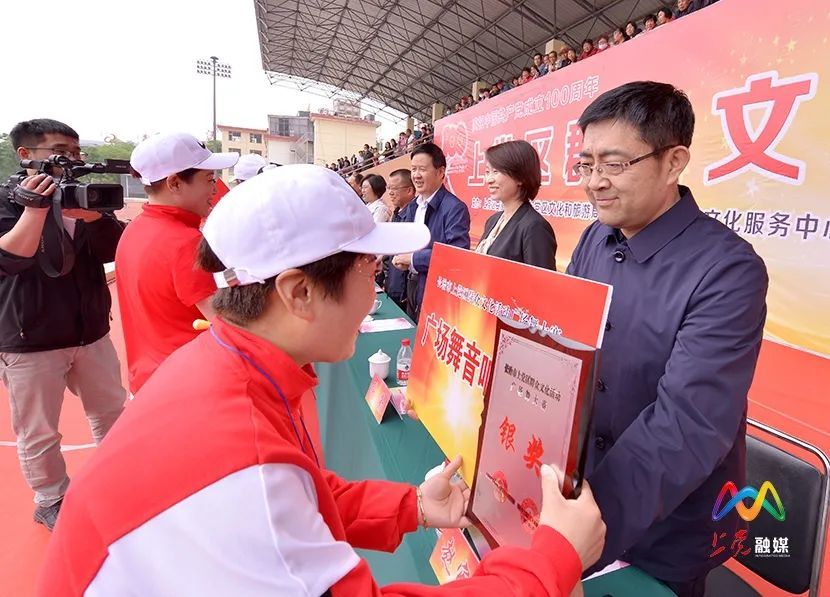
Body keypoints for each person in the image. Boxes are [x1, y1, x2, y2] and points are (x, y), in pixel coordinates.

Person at [39, 165, 606, 596]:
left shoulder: (222, 363)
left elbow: (304, 493)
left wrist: (411, 505)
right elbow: (268, 489)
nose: (375, 287)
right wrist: (551, 559)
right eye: (368, 269)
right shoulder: (240, 456)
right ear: (299, 292)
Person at [567, 81, 768, 596]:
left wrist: (584, 523)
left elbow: (689, 421)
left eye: (613, 164)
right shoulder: (595, 237)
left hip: (666, 526)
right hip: (576, 498)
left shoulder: (727, 269)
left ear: (674, 161)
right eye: (586, 164)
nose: (595, 183)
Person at [0, 119, 126, 530]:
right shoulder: (5, 200)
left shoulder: (83, 196)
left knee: (112, 412)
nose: (70, 160)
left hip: (90, 330)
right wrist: (35, 209)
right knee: (39, 432)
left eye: (75, 152)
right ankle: (51, 499)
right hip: (29, 337)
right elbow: (11, 259)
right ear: (25, 155)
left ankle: (119, 480)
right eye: (58, 151)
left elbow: (116, 248)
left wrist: (92, 217)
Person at [115, 132, 238, 394]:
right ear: (175, 183)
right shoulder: (186, 243)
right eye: (208, 180)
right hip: (190, 385)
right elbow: (228, 324)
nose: (215, 189)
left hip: (150, 381)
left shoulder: (135, 229)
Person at [392, 143, 470, 322]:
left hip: (434, 291)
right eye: (413, 169)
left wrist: (412, 259)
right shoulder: (413, 206)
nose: (416, 175)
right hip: (410, 285)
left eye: (422, 169)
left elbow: (456, 254)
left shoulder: (454, 208)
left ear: (440, 172)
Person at [476, 140, 556, 271]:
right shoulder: (493, 221)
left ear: (520, 177)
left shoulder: (535, 227)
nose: (489, 179)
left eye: (496, 172)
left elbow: (541, 285)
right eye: (487, 172)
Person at [381, 169, 417, 309]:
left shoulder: (415, 215)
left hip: (405, 291)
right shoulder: (396, 213)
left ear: (409, 190)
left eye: (394, 188)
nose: (390, 192)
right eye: (389, 188)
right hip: (392, 283)